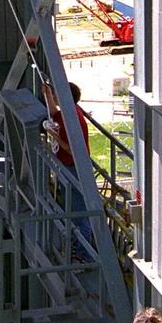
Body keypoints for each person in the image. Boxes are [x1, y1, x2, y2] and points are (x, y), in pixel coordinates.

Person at [42, 79, 94, 252]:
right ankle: (78, 248)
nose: (55, 95)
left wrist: (54, 136)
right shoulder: (69, 112)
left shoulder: (73, 119)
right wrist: (48, 95)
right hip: (70, 167)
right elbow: (54, 113)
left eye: (56, 93)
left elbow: (74, 150)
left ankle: (84, 254)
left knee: (79, 213)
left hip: (74, 168)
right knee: (74, 209)